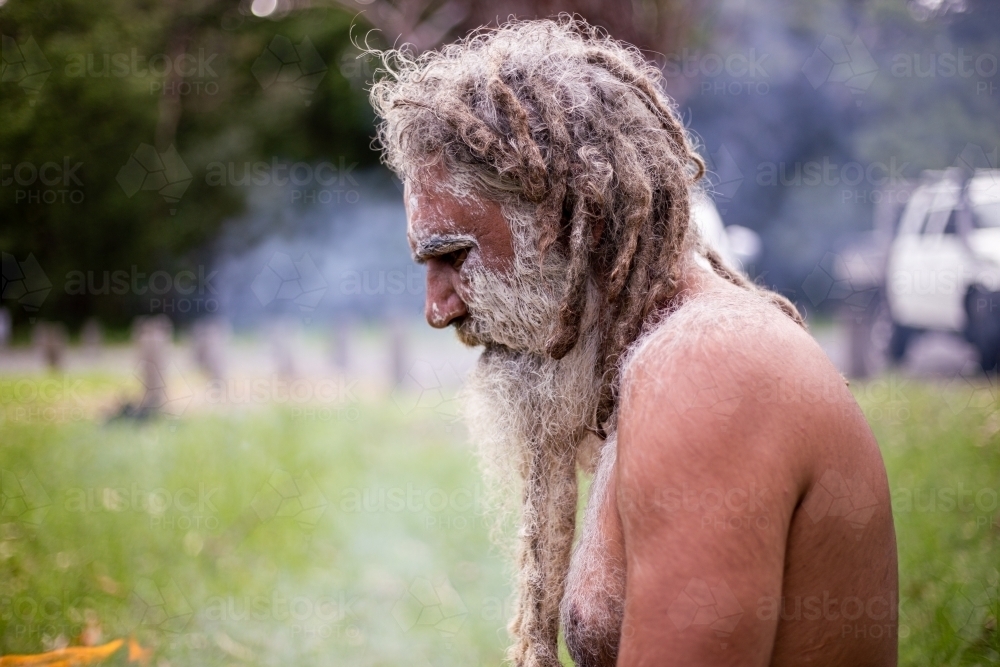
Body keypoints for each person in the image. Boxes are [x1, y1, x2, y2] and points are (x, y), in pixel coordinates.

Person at [369, 17, 897, 667]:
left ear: (563, 215)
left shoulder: (707, 370)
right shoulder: (663, 361)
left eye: (452, 256)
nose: (436, 308)